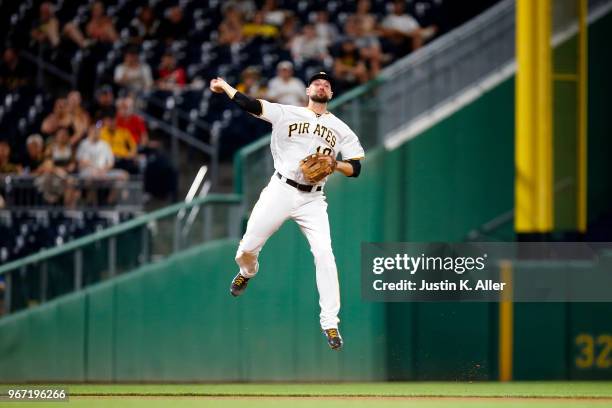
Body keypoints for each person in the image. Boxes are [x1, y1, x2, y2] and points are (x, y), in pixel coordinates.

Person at [209, 71, 365, 351]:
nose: (322, 86)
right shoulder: (286, 113)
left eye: (327, 85)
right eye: (317, 82)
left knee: (325, 255)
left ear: (330, 95)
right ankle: (248, 271)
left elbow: (356, 168)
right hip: (281, 189)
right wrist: (225, 86)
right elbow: (251, 105)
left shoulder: (341, 129)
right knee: (246, 249)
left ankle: (330, 322)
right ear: (307, 90)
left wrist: (334, 164)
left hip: (314, 199)